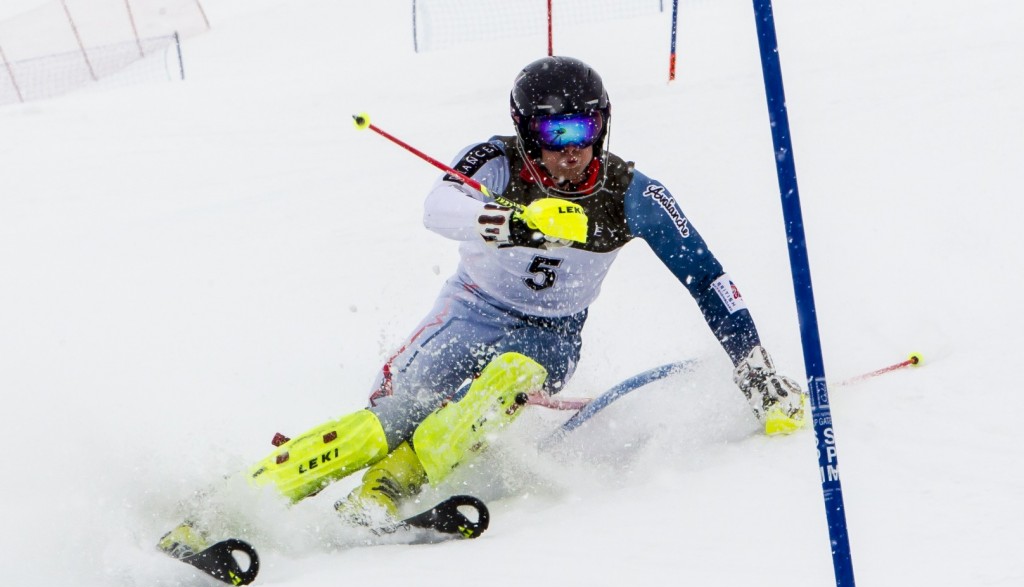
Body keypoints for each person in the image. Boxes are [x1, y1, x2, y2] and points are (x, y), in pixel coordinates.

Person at [163, 57, 806, 551]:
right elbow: (438, 207)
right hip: (466, 312)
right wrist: (514, 223)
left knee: (507, 383)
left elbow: (709, 279)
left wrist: (755, 369)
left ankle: (390, 489)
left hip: (551, 337)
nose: (570, 150)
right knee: (386, 421)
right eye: (553, 133)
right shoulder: (495, 160)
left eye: (584, 130)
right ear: (525, 131)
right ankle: (227, 501)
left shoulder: (632, 193)